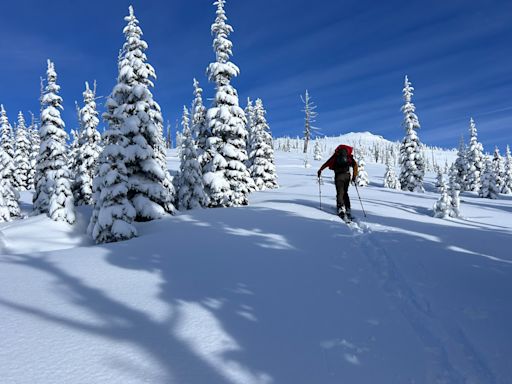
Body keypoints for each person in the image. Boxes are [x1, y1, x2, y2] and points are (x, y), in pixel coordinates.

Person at [317, 144, 358, 219]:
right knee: (345, 192)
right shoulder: (349, 156)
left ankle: (340, 208)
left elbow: (327, 163)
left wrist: (320, 170)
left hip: (339, 176)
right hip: (347, 175)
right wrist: (354, 177)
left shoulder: (336, 156)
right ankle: (348, 208)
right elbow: (355, 165)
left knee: (340, 192)